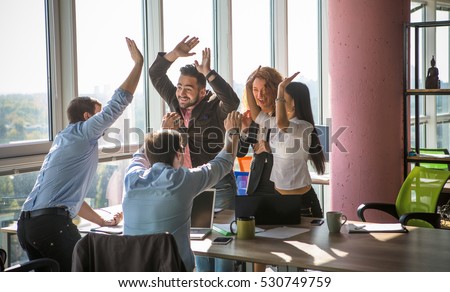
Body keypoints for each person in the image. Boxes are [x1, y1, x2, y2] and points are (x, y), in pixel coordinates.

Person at [17, 37, 144, 272]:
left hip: (28, 225)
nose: (102, 120)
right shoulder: (85, 132)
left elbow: (67, 201)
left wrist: (102, 221)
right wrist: (138, 65)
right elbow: (118, 102)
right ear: (88, 117)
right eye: (98, 114)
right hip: (50, 226)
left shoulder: (63, 140)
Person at [149, 35, 240, 272]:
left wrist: (209, 73)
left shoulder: (213, 105)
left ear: (202, 92)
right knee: (199, 244)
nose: (180, 92)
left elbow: (232, 102)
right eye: (179, 86)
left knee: (223, 246)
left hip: (218, 184)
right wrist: (174, 54)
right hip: (189, 184)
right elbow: (156, 74)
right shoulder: (174, 102)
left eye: (188, 88)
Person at [122, 111, 242, 272]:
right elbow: (223, 163)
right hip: (172, 270)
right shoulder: (182, 180)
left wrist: (162, 131)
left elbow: (140, 155)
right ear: (179, 155)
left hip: (132, 270)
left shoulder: (131, 177)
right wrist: (233, 132)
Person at [246, 69, 325, 219]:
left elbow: (283, 124)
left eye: (282, 99)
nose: (278, 101)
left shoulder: (304, 126)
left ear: (293, 103)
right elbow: (256, 116)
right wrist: (248, 86)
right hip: (279, 196)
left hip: (302, 202)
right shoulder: (276, 123)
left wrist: (281, 89)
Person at [238, 67, 283, 196]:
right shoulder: (250, 117)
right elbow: (240, 153)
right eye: (255, 90)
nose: (259, 96)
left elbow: (294, 149)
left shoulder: (285, 117)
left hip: (280, 182)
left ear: (275, 90)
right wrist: (244, 130)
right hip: (256, 183)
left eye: (264, 90)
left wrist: (270, 148)